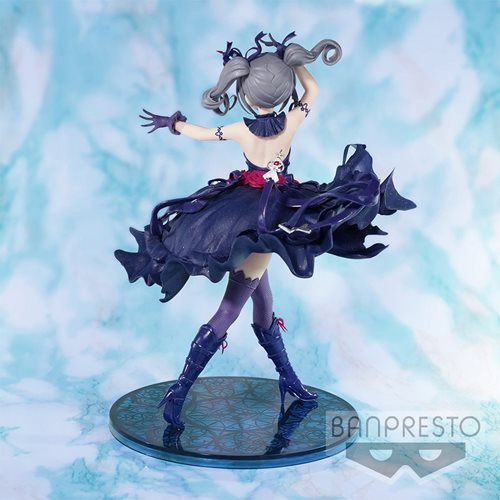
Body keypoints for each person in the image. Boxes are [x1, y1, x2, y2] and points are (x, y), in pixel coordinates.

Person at [114, 31, 416, 429]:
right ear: (284, 91)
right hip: (268, 217)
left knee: (264, 305)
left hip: (247, 212)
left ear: (245, 94)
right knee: (230, 308)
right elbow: (312, 89)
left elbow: (202, 133)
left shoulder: (240, 129)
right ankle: (180, 391)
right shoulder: (293, 120)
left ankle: (289, 380)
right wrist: (295, 62)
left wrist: (174, 123)